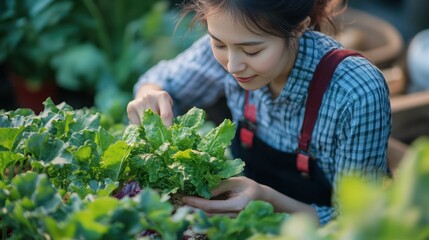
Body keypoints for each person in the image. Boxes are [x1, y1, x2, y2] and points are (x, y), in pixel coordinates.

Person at [127, 0, 391, 225]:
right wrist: (149, 96)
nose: (232, 65)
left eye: (252, 50)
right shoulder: (234, 38)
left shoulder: (355, 90)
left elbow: (359, 222)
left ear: (299, 28)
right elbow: (162, 79)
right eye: (218, 44)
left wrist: (267, 200)